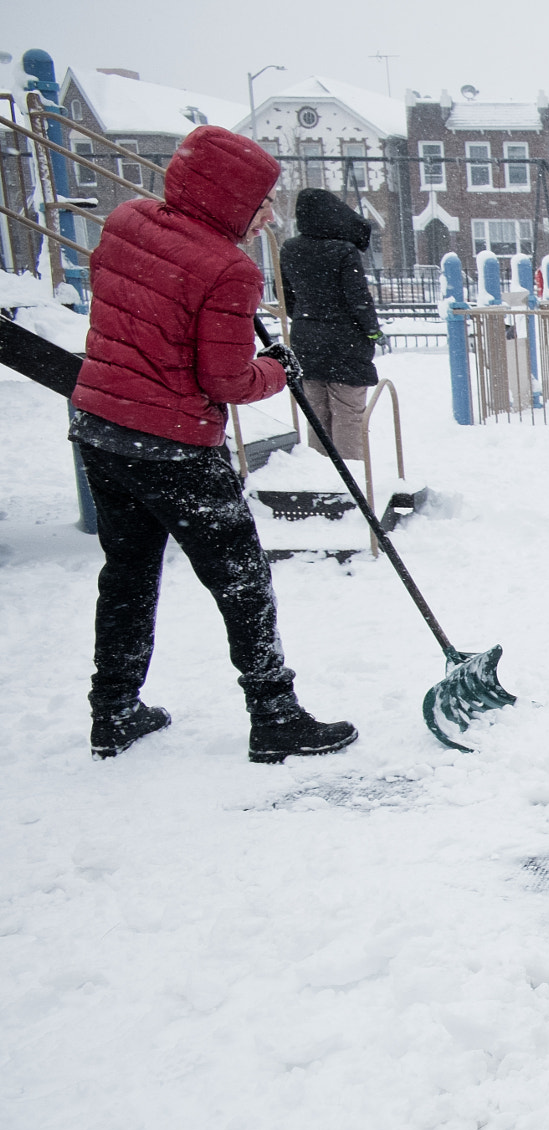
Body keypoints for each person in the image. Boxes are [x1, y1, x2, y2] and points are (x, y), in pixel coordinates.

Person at [69, 124, 357, 764]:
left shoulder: (124, 222)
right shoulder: (227, 270)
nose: (269, 218)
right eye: (262, 204)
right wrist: (278, 369)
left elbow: (140, 313)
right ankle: (275, 714)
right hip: (171, 447)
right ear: (229, 199)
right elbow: (223, 379)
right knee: (241, 581)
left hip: (100, 429)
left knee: (128, 573)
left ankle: (113, 709)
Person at [280, 188, 382, 466]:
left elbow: (288, 298)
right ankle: (353, 480)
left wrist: (308, 320)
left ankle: (322, 478)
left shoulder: (289, 248)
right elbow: (358, 299)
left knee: (316, 415)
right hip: (345, 344)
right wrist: (373, 330)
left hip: (306, 342)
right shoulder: (344, 251)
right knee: (348, 415)